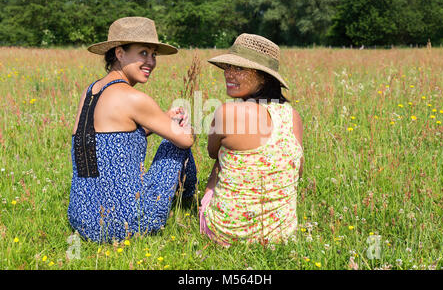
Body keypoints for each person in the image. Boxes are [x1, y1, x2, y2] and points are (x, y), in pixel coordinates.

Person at [68, 17, 197, 243]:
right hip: (126, 225)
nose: (151, 61)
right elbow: (186, 141)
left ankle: (185, 202)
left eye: (153, 54)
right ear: (119, 53)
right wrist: (186, 127)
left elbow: (115, 139)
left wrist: (162, 120)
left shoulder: (89, 93)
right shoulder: (134, 98)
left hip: (82, 221)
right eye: (143, 53)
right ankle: (188, 202)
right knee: (175, 142)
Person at [199, 33, 304, 246]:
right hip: (281, 235)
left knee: (220, 157)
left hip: (226, 233)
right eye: (228, 67)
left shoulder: (226, 112)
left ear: (264, 77)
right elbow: (299, 171)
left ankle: (218, 218)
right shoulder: (291, 115)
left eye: (239, 69)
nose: (228, 73)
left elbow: (212, 153)